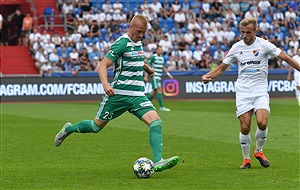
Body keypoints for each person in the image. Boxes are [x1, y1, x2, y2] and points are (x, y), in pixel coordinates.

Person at [54, 15, 179, 172]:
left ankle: (159, 160)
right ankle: (69, 129)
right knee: (95, 127)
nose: (141, 35)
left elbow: (136, 59)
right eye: (139, 31)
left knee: (156, 122)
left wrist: (147, 68)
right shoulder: (121, 43)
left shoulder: (138, 42)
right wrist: (106, 84)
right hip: (118, 95)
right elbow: (102, 65)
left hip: (137, 95)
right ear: (130, 27)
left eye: (144, 32)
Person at [201, 18, 300, 169]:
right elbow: (221, 68)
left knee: (262, 122)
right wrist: (207, 76)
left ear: (255, 31)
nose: (245, 35)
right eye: (243, 32)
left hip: (260, 90)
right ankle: (246, 159)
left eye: (248, 32)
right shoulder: (236, 47)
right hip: (243, 91)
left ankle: (259, 151)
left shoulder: (264, 44)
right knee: (245, 126)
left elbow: (285, 58)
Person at [145, 46, 173, 112]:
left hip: (159, 76)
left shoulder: (162, 58)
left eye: (161, 50)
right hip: (154, 76)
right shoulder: (153, 57)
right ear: (156, 51)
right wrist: (146, 75)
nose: (160, 51)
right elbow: (147, 66)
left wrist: (168, 74)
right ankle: (161, 107)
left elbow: (163, 67)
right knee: (159, 89)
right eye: (159, 50)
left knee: (154, 92)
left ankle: (145, 104)